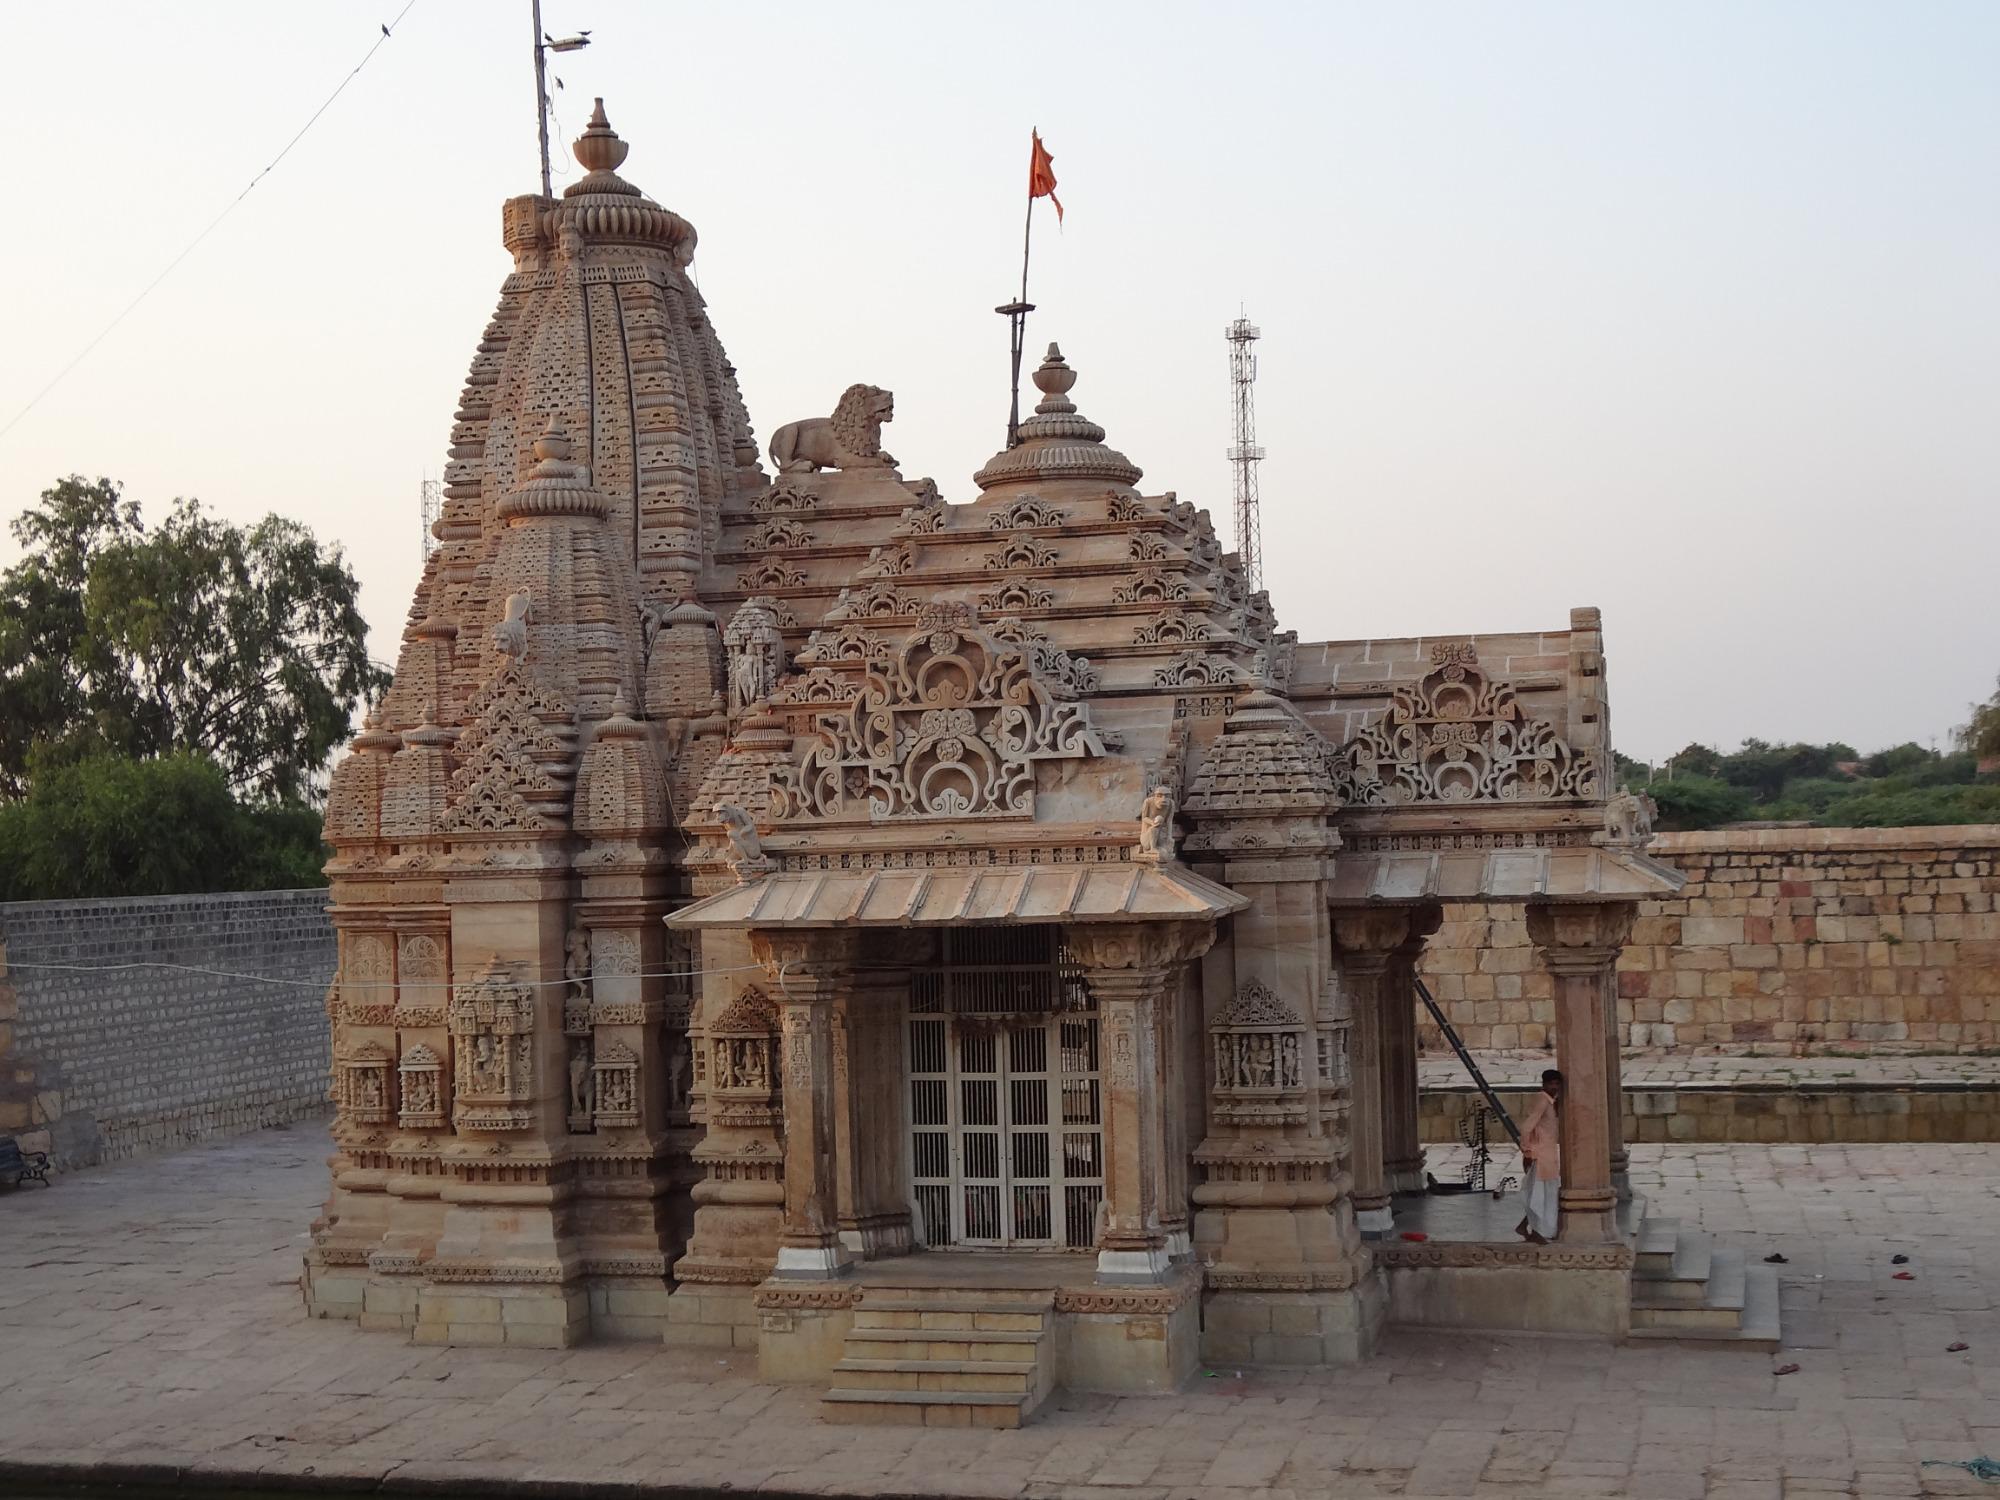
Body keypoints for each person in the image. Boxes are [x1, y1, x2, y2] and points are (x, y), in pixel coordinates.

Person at [1515, 1069, 1563, 1243]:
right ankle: (1537, 1231)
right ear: (1544, 1084)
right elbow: (1527, 1127)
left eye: (1557, 1083)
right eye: (1551, 1084)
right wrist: (1527, 1151)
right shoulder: (1543, 1101)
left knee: (1545, 1193)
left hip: (1548, 1154)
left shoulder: (1551, 1102)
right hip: (1540, 1155)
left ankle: (1527, 1227)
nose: (1554, 1087)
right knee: (1540, 1195)